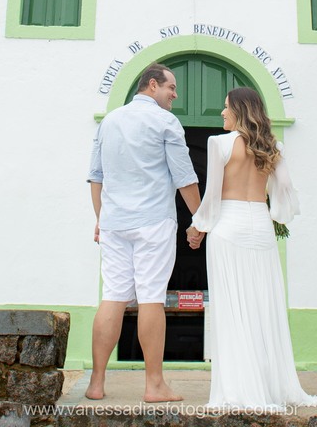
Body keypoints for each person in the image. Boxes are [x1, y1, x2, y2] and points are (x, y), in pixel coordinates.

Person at [187, 87, 317, 410]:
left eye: (225, 108)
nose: (221, 113)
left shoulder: (219, 143)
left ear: (239, 110)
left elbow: (213, 196)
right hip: (260, 227)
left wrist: (198, 227)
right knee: (264, 308)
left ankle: (240, 388)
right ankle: (271, 385)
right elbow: (286, 191)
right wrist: (274, 212)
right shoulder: (272, 146)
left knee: (232, 309)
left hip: (228, 228)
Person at [86, 63, 201, 402]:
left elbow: (96, 176)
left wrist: (100, 218)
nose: (175, 95)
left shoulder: (110, 121)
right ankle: (154, 385)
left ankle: (96, 383)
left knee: (114, 296)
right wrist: (201, 219)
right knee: (151, 297)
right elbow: (185, 177)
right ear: (153, 85)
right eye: (171, 88)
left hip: (114, 223)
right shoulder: (165, 121)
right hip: (152, 222)